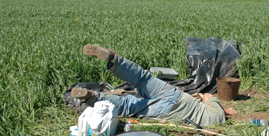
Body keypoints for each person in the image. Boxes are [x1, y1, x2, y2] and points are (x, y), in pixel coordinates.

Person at [73, 44, 236, 127]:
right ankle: (92, 97)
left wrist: (222, 108)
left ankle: (114, 59)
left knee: (142, 78)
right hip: (166, 112)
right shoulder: (215, 120)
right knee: (128, 105)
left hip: (175, 95)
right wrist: (224, 113)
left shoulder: (217, 112)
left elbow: (208, 96)